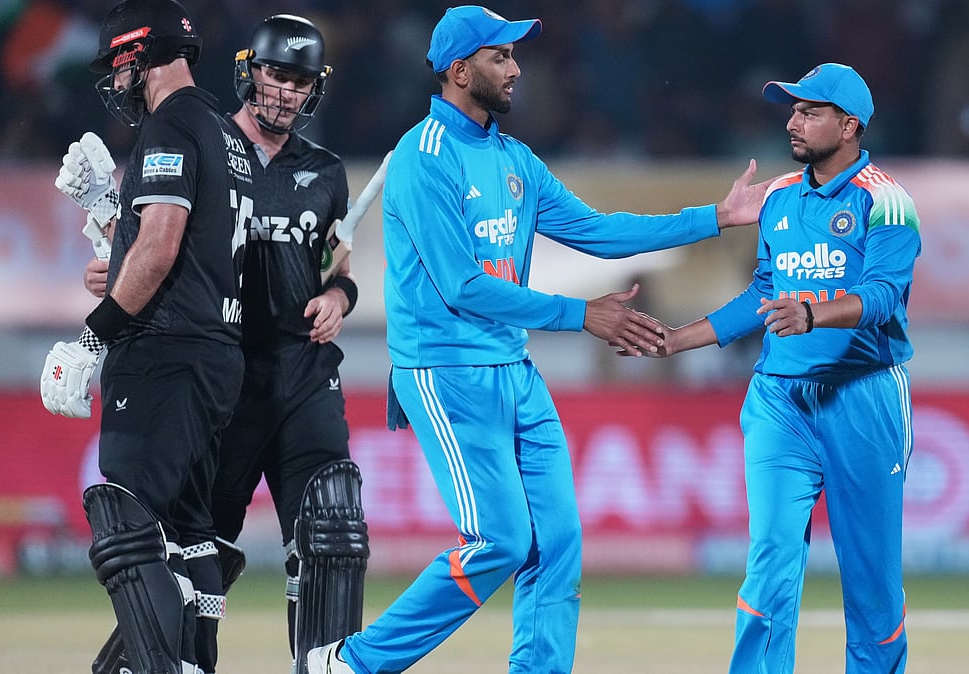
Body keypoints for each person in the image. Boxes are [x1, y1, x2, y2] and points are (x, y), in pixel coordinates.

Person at [307, 6, 777, 673]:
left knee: (556, 542)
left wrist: (715, 218)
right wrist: (582, 314)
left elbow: (599, 230)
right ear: (460, 69)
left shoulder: (513, 158)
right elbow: (461, 287)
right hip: (446, 371)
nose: (518, 67)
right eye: (502, 56)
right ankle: (352, 664)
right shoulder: (423, 158)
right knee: (499, 540)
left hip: (512, 368)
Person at [78, 14, 370, 674]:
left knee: (332, 531)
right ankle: (153, 662)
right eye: (276, 74)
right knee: (189, 542)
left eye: (300, 81)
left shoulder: (324, 172)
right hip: (224, 371)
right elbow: (159, 239)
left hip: (301, 374)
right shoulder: (205, 139)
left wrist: (338, 298)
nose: (287, 92)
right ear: (249, 71)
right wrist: (115, 264)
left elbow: (338, 270)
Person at [625, 64, 920, 673]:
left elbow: (885, 295)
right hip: (779, 402)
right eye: (792, 110)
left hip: (860, 398)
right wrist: (677, 341)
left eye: (809, 111)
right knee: (770, 564)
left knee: (871, 584)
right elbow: (762, 292)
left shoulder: (888, 201)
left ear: (850, 124)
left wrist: (812, 314)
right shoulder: (779, 198)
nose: (793, 121)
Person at [40, 1, 253, 673]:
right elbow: (176, 253)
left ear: (142, 55)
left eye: (118, 64)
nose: (114, 80)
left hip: (164, 357)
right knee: (191, 538)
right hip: (214, 357)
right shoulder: (225, 131)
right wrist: (107, 210)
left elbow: (158, 252)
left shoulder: (170, 125)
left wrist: (91, 339)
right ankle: (195, 660)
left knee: (127, 522)